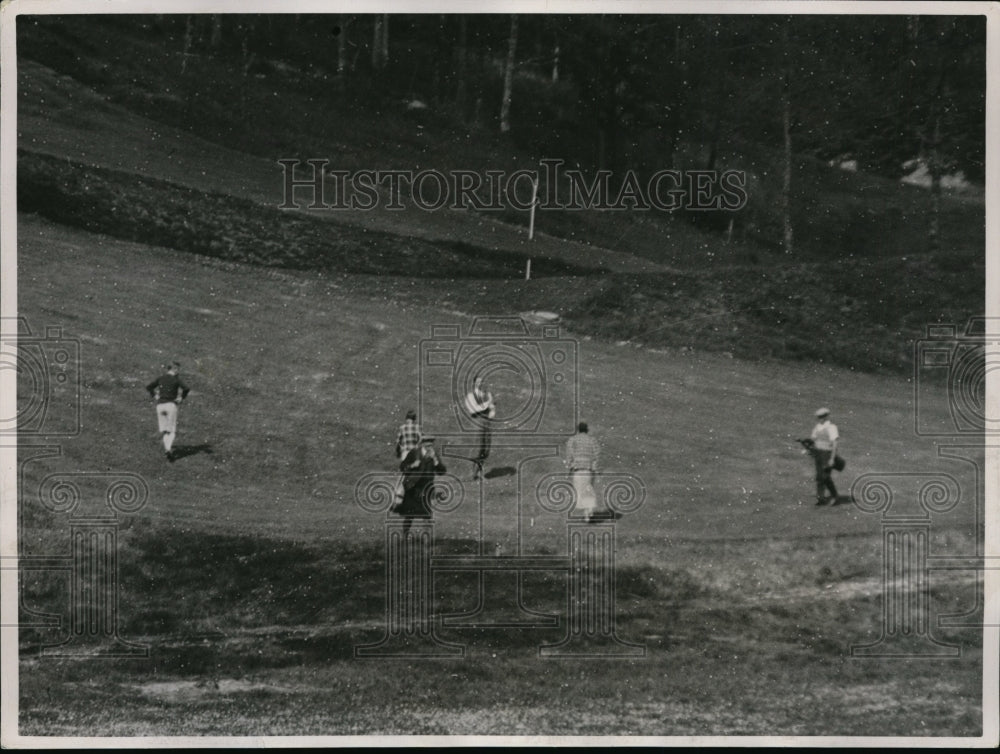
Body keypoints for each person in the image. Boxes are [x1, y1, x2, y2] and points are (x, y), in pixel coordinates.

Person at [394, 436, 446, 534]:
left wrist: (435, 461)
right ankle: (404, 537)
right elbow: (402, 467)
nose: (429, 446)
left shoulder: (433, 455)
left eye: (431, 444)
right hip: (412, 488)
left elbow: (442, 471)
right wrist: (412, 465)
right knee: (409, 515)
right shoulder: (414, 453)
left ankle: (427, 541)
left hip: (426, 489)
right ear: (422, 443)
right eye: (427, 444)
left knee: (427, 515)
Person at [146, 362, 190, 462]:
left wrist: (154, 395)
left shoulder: (161, 378)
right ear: (174, 369)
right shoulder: (176, 379)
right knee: (172, 431)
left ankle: (168, 449)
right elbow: (186, 388)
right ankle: (168, 449)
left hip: (160, 406)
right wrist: (181, 398)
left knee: (165, 430)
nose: (178, 371)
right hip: (171, 405)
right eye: (178, 369)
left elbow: (149, 387)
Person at [565, 421, 601, 522]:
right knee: (588, 490)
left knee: (580, 492)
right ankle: (588, 512)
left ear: (578, 429)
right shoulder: (592, 440)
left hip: (577, 470)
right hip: (588, 470)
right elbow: (597, 454)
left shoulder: (572, 440)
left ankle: (587, 514)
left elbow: (569, 454)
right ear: (587, 430)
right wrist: (595, 468)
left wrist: (569, 467)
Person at [463, 374, 495, 480]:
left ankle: (479, 473)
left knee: (486, 449)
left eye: (481, 381)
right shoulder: (471, 396)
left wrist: (491, 413)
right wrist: (488, 403)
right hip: (477, 422)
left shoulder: (486, 395)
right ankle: (472, 473)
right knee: (478, 448)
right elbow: (474, 409)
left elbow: (492, 409)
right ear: (474, 383)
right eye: (478, 381)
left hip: (486, 422)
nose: (480, 383)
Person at [810, 407, 840, 505]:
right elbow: (813, 439)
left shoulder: (831, 427)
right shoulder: (817, 427)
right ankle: (820, 498)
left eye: (822, 416)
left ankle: (835, 495)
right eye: (819, 417)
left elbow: (835, 443)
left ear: (827, 416)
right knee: (819, 476)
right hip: (818, 453)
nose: (820, 419)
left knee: (825, 476)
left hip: (827, 454)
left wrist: (832, 458)